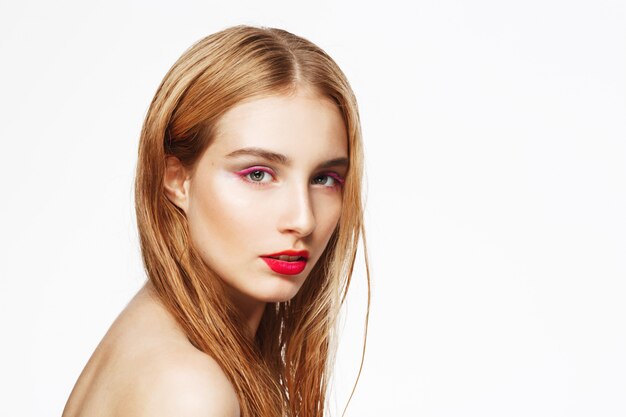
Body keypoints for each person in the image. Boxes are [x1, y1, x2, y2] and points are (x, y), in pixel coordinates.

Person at [62, 24, 370, 417]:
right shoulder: (188, 389)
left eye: (324, 179)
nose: (303, 219)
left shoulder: (158, 333)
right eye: (257, 174)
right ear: (177, 179)